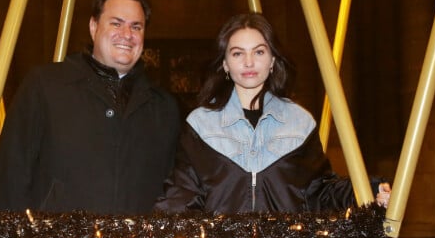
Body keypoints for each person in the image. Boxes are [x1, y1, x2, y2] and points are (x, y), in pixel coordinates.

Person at [154, 13, 390, 214]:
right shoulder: (200, 125)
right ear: (225, 64)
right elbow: (182, 197)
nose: (249, 62)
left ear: (273, 60)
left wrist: (369, 189)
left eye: (259, 52)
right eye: (237, 53)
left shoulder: (300, 122)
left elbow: (319, 193)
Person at [0, 0, 181, 214]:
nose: (127, 35)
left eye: (136, 27)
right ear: (94, 27)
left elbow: (172, 189)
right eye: (116, 23)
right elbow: (12, 171)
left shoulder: (163, 107)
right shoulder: (45, 85)